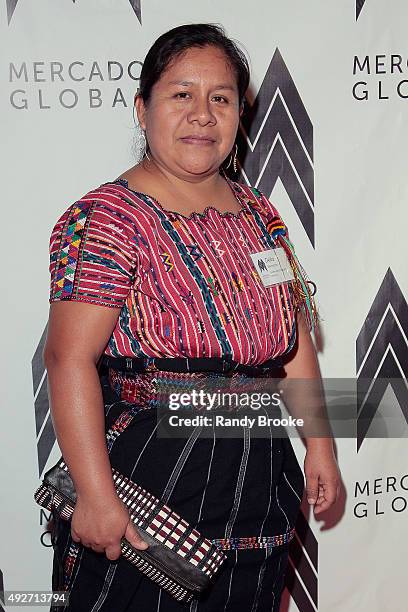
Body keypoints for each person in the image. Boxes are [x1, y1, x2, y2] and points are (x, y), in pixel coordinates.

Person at [45, 23, 340, 612]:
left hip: (259, 471)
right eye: (181, 95)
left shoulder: (258, 213)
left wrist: (320, 443)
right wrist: (98, 498)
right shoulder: (111, 217)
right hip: (150, 476)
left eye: (221, 98)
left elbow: (292, 339)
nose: (203, 115)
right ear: (142, 108)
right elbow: (67, 358)